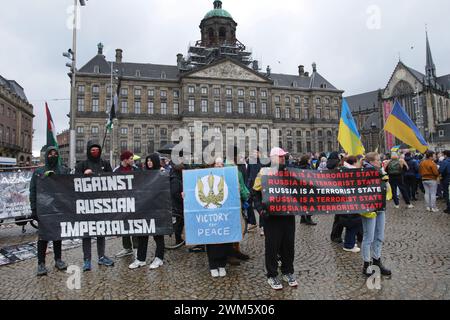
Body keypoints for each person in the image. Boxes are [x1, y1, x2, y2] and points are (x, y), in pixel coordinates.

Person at [253, 147, 298, 290]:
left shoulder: (291, 172)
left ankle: (287, 272)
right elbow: (255, 194)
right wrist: (261, 210)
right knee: (272, 247)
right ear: (272, 158)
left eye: (284, 156)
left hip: (288, 216)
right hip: (271, 218)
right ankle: (272, 275)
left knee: (288, 246)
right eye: (280, 157)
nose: (283, 158)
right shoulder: (263, 173)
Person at [75, 140, 115, 271]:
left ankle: (101, 256)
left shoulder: (105, 164)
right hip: (86, 205)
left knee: (101, 231)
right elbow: (74, 182)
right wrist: (83, 175)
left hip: (101, 204)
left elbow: (113, 180)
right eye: (92, 150)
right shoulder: (81, 165)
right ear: (88, 151)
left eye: (97, 150)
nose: (95, 152)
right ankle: (87, 259)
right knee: (86, 233)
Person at [29, 146, 69, 276]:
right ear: (46, 156)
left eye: (55, 153)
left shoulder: (63, 171)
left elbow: (69, 188)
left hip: (58, 208)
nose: (53, 155)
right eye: (50, 154)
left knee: (57, 236)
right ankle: (41, 263)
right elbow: (33, 191)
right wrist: (34, 209)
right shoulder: (38, 172)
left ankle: (58, 259)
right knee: (43, 237)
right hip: (43, 209)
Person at [129, 153, 167, 269]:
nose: (149, 162)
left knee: (158, 235)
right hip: (145, 209)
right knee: (143, 235)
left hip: (158, 209)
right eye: (148, 161)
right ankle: (141, 259)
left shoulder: (162, 173)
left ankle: (159, 258)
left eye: (151, 161)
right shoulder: (144, 173)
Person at [361, 152, 391, 277]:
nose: (380, 162)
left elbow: (387, 188)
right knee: (369, 237)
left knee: (379, 236)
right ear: (372, 162)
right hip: (369, 208)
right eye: (378, 160)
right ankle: (366, 264)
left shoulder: (381, 171)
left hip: (381, 206)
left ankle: (377, 261)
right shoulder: (364, 172)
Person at [205, 157, 234, 277]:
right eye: (217, 164)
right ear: (213, 166)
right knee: (211, 241)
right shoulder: (206, 178)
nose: (219, 166)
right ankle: (212, 265)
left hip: (225, 215)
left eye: (221, 164)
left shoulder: (229, 178)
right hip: (210, 214)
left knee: (224, 241)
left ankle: (222, 264)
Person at [114, 150, 141, 258]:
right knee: (124, 225)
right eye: (131, 158)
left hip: (135, 201)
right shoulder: (117, 170)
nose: (132, 160)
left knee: (134, 224)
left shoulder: (136, 169)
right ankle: (127, 248)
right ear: (125, 160)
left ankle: (136, 247)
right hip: (122, 202)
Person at [340, 156, 363, 253]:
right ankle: (349, 245)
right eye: (358, 162)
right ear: (354, 162)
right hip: (351, 201)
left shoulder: (343, 170)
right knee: (352, 222)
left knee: (351, 222)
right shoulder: (352, 172)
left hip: (346, 201)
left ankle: (350, 241)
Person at [327, 152, 344, 243]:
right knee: (340, 216)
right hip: (339, 192)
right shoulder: (337, 167)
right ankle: (335, 235)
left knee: (338, 216)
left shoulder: (329, 165)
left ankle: (335, 235)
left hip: (335, 193)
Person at [246, 148, 264, 235]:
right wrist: (247, 185)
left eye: (255, 152)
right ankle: (252, 222)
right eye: (252, 152)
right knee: (248, 204)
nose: (253, 153)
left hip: (260, 187)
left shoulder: (264, 162)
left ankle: (262, 226)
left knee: (260, 206)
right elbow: (248, 173)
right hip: (251, 187)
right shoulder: (250, 161)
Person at [296, 155, 317, 226]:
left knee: (303, 202)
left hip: (301, 188)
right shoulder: (308, 167)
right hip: (308, 187)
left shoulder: (299, 167)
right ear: (307, 160)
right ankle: (308, 218)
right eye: (309, 159)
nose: (310, 160)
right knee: (309, 203)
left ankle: (302, 218)